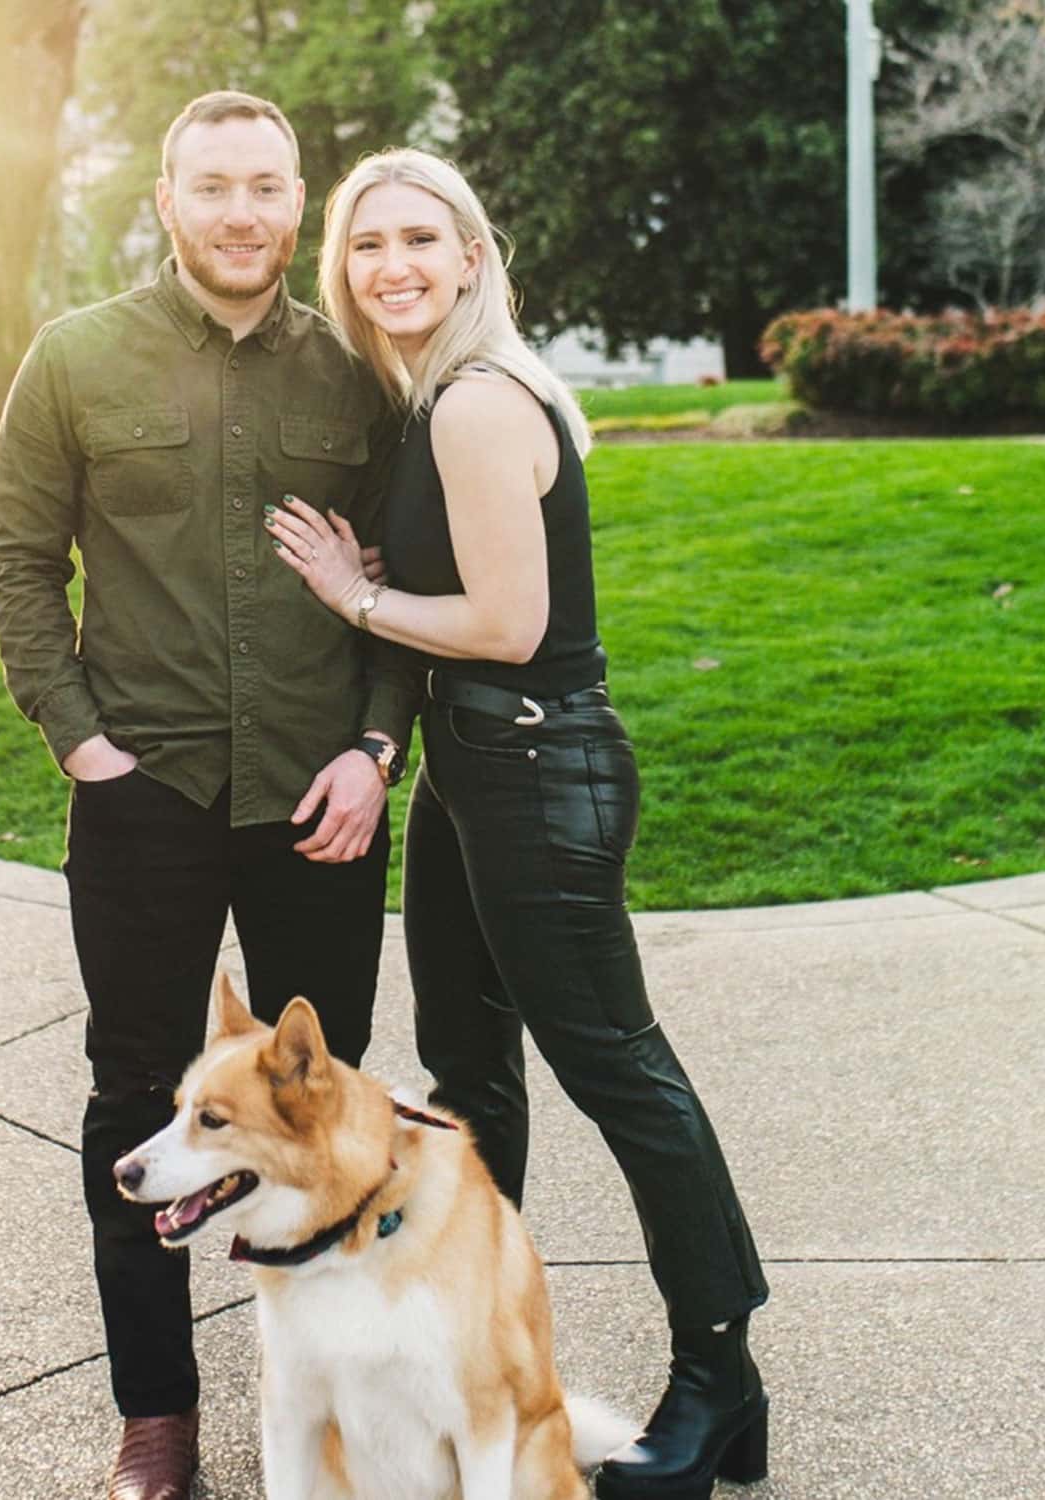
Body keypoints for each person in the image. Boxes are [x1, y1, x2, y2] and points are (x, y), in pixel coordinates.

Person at [265, 147, 772, 1500]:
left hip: (541, 776)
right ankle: (477, 1361)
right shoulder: (441, 400)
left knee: (617, 1071)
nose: (394, 267)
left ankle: (719, 1376)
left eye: (423, 238)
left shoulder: (481, 404)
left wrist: (351, 595)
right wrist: (392, 576)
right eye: (368, 246)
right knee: (472, 1078)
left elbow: (509, 626)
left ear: (475, 255)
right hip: (475, 777)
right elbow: (474, 588)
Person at [0, 93, 418, 1500]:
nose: (242, 212)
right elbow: (17, 560)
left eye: (268, 187)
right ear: (167, 200)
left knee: (324, 1107)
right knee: (135, 1097)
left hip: (322, 797)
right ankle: (156, 1418)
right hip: (144, 790)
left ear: (301, 205)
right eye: (214, 185)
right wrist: (78, 741)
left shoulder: (362, 376)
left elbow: (407, 588)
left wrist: (378, 747)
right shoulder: (74, 361)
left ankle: (331, 1399)